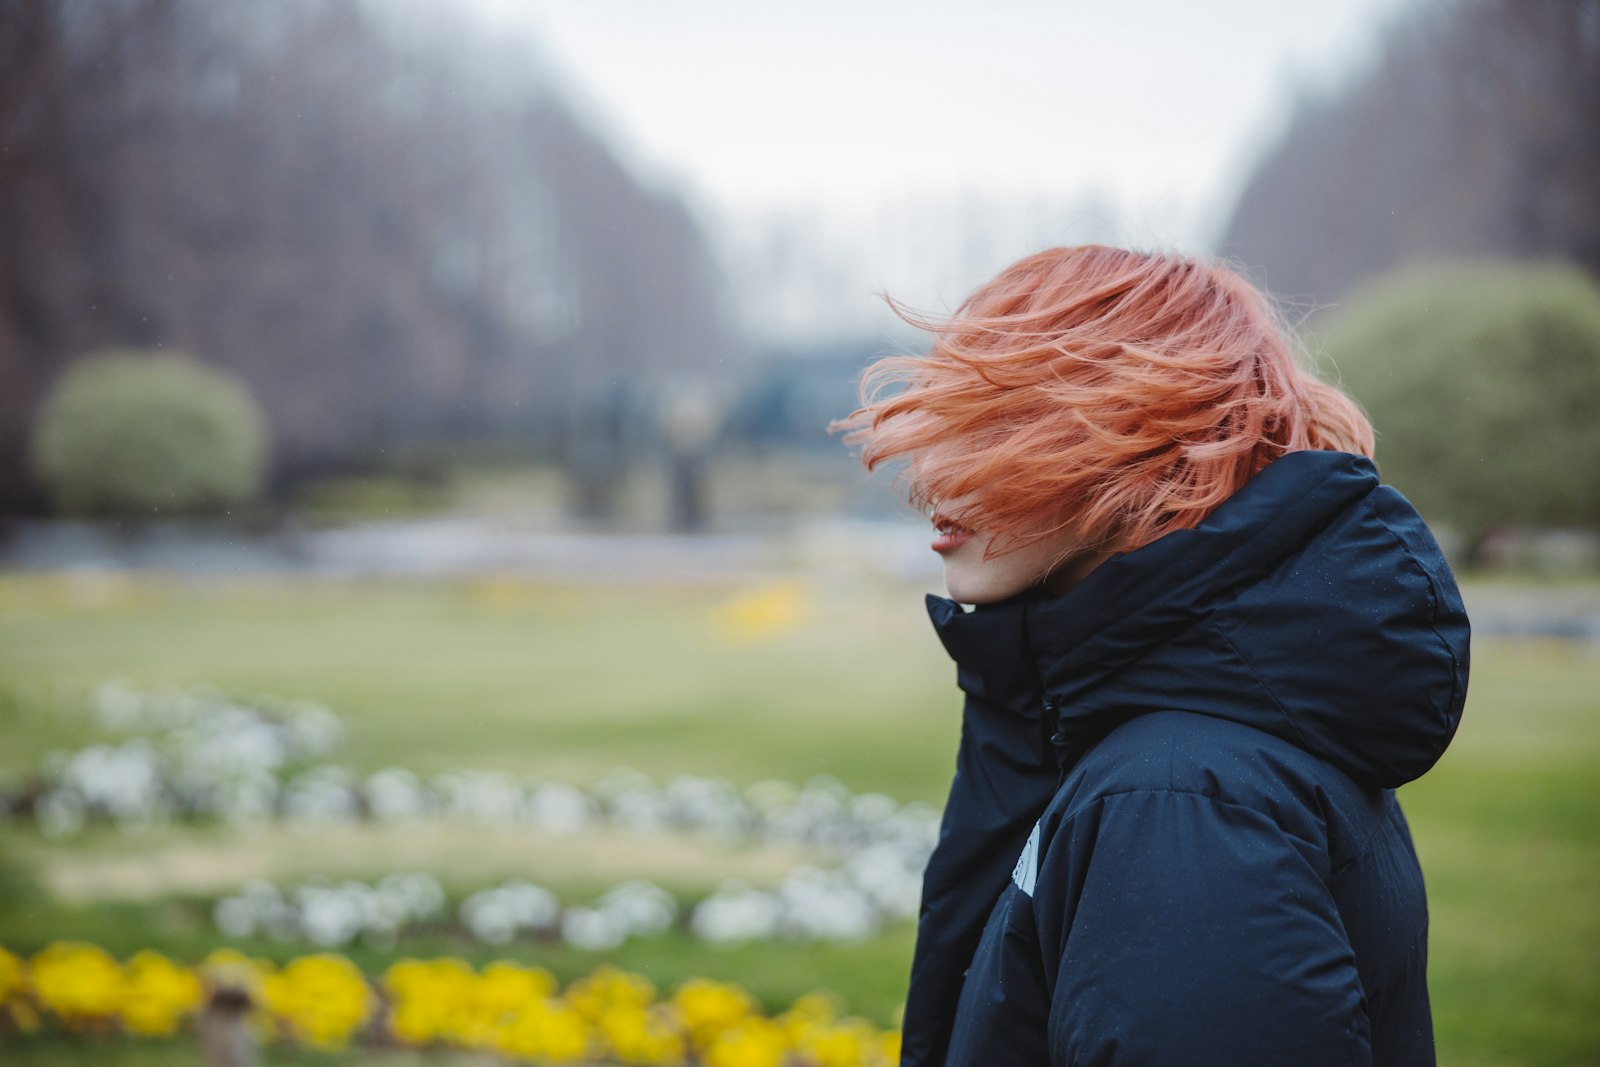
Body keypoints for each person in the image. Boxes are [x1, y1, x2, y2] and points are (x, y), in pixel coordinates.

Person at [834, 245, 1470, 1066]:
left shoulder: (1181, 797)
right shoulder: (1210, 736)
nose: (930, 473)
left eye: (988, 425)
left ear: (1131, 438)